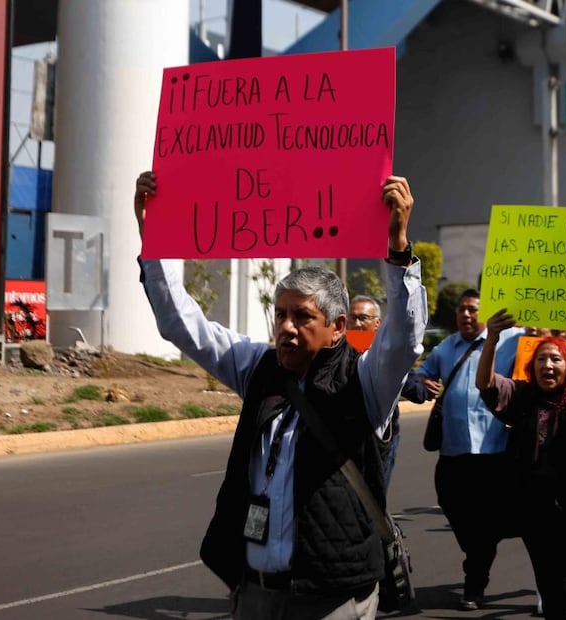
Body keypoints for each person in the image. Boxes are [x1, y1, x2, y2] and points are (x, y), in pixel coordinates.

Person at [133, 171, 427, 619]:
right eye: (281, 314)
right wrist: (154, 236)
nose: (287, 327)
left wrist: (399, 248)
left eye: (303, 316)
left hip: (332, 598)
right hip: (256, 593)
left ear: (337, 328)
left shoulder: (364, 383)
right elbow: (181, 324)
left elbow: (403, 340)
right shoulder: (260, 368)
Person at [476, 309, 566, 619]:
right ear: (532, 367)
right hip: (536, 513)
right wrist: (491, 339)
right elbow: (486, 386)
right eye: (541, 360)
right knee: (550, 589)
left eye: (555, 359)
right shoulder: (522, 396)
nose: (548, 365)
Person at [414, 289, 521, 611]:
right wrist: (422, 383)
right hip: (453, 451)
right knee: (450, 503)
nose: (466, 315)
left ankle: (474, 582)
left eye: (473, 309)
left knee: (484, 524)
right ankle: (478, 548)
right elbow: (421, 375)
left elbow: (545, 350)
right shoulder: (447, 348)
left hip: (495, 451)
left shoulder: (513, 339)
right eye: (461, 310)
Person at [347, 295, 426, 490]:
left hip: (380, 438)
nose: (356, 324)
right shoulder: (339, 351)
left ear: (377, 323)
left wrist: (389, 369)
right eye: (352, 317)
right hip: (346, 436)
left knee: (373, 498)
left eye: (363, 318)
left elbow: (418, 393)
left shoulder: (389, 353)